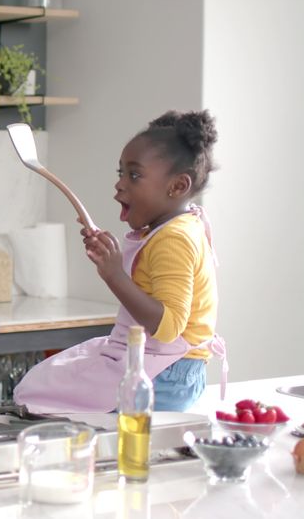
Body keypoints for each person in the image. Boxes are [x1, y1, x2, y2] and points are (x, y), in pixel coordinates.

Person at [14, 110, 224, 413]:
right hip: (161, 366)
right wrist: (109, 259)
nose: (120, 185)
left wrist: (113, 274)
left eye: (134, 175)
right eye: (120, 173)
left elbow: (167, 328)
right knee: (45, 382)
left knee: (39, 393)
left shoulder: (174, 239)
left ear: (177, 186)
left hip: (167, 375)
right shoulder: (171, 227)